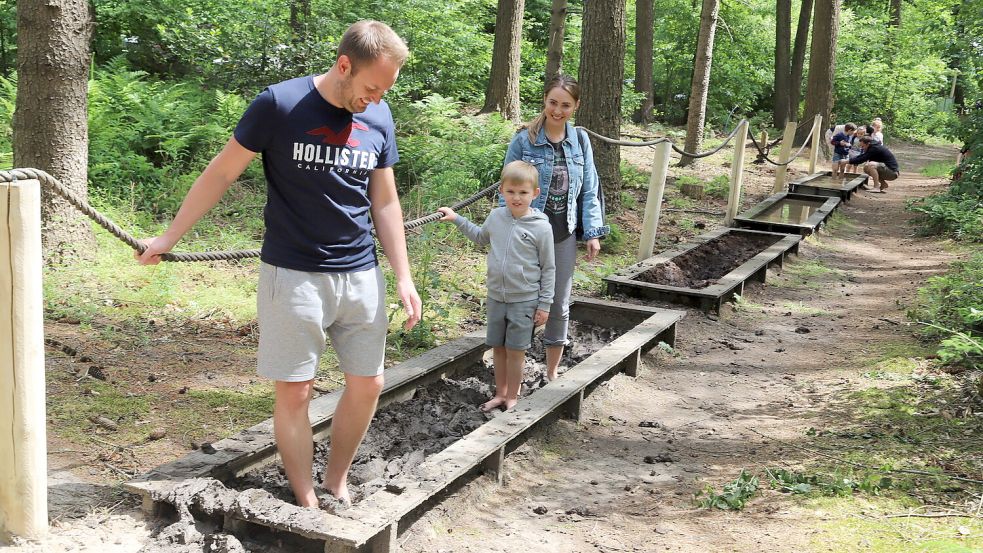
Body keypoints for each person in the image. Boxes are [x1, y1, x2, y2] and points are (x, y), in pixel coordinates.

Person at [136, 20, 422, 509]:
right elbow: (222, 172)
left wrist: (403, 275)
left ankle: (336, 480)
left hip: (360, 272)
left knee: (370, 383)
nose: (375, 98)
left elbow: (386, 201)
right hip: (293, 275)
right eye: (372, 87)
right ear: (344, 65)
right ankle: (306, 496)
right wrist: (169, 236)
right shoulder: (280, 104)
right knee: (295, 393)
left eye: (385, 90)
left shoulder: (379, 114)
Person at [503, 74, 608, 382]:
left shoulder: (581, 141)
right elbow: (506, 186)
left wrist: (593, 232)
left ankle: (551, 373)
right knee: (522, 300)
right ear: (544, 101)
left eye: (565, 105)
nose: (558, 111)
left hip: (564, 233)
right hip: (527, 233)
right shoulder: (525, 139)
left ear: (576, 106)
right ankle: (513, 375)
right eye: (552, 103)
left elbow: (590, 188)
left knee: (558, 303)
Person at [437, 161, 556, 411]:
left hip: (524, 299)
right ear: (501, 191)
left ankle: (513, 396)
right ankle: (500, 393)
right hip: (496, 297)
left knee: (516, 350)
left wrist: (544, 304)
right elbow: (480, 238)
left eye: (523, 193)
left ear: (535, 194)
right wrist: (457, 218)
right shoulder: (496, 217)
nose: (516, 198)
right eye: (511, 192)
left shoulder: (541, 228)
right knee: (498, 348)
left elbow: (548, 268)